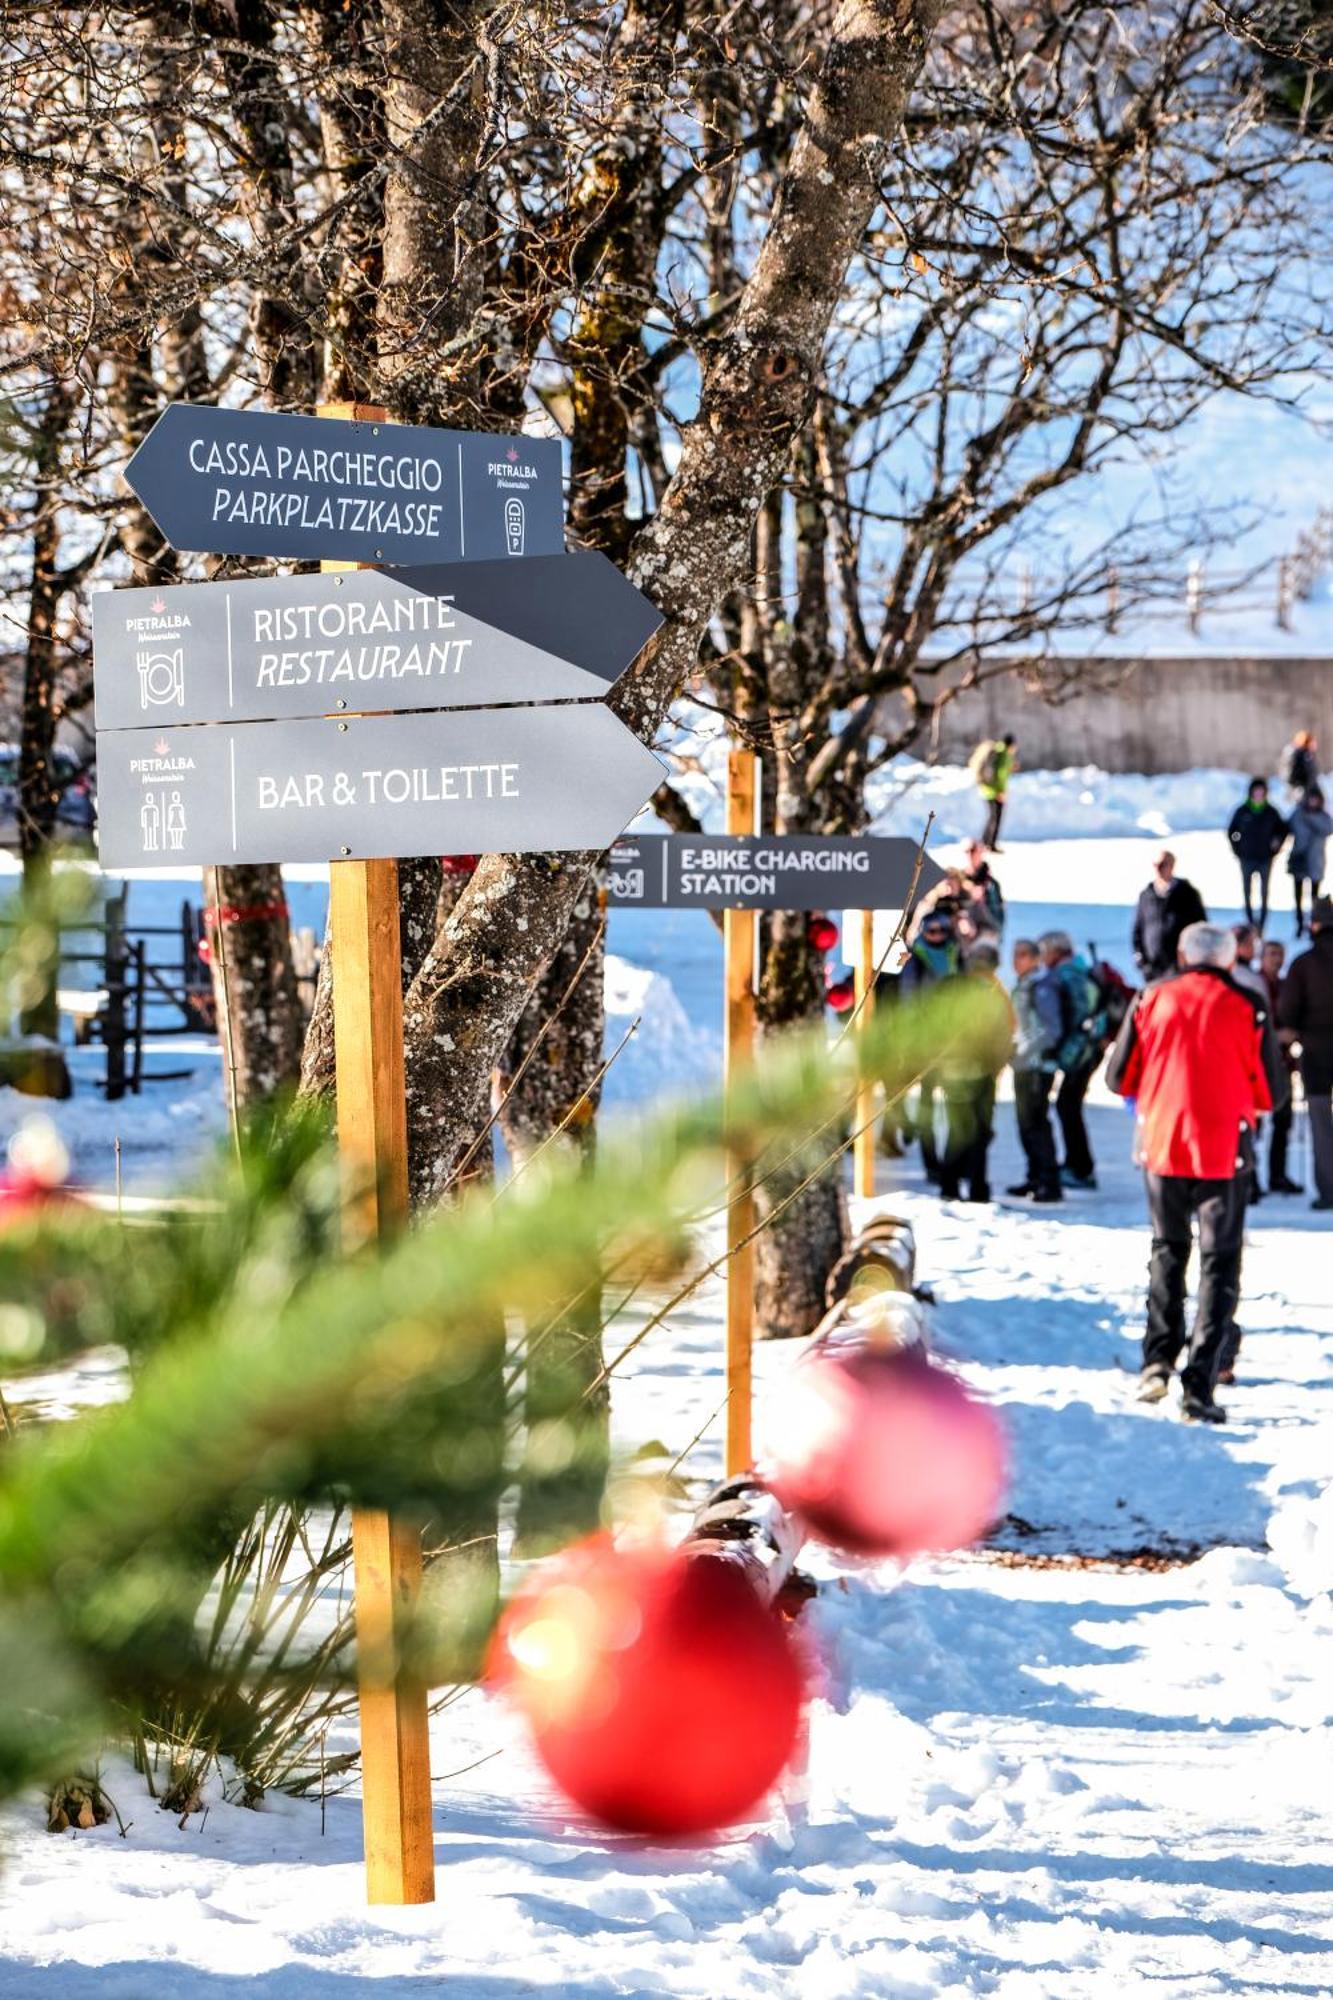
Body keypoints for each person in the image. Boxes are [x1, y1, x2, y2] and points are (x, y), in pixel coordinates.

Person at [1107, 921, 1285, 1422]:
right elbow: (1272, 1090)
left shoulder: (1151, 999)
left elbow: (1119, 1075)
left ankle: (1157, 1360)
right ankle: (1200, 1384)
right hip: (1224, 1147)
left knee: (1167, 1249)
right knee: (1219, 1261)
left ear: (1184, 956)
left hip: (1163, 1143)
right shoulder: (1248, 1008)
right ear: (1229, 960)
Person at [935, 942, 1014, 1203]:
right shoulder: (992, 993)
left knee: (958, 1130)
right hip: (981, 1072)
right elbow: (1002, 1032)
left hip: (953, 1070)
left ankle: (950, 1184)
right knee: (979, 1131)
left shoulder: (949, 989)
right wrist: (996, 1065)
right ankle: (977, 1187)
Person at [1278, 896, 1333, 1211]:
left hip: (1316, 1054)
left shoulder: (1304, 964)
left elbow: (1288, 1011)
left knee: (1322, 1123)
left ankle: (1330, 1190)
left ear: (1314, 925)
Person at [900, 905, 962, 1184]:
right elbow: (908, 1002)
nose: (937, 935)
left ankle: (952, 1163)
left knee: (955, 1105)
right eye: (931, 930)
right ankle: (931, 1163)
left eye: (942, 930)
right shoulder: (916, 960)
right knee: (927, 1102)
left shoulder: (956, 955)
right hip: (926, 1042)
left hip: (954, 1040)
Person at [1040, 930, 1103, 1191]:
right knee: (1068, 1105)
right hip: (1087, 1047)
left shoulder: (1067, 974)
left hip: (1081, 1050)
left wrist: (1063, 1050)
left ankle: (1080, 1167)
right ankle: (1077, 1164)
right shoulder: (1079, 968)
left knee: (1068, 1106)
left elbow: (1078, 1015)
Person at [1007, 937, 1063, 1204]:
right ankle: (1035, 1177)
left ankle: (1049, 1181)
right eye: (1014, 955)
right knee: (1026, 1124)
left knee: (1036, 1124)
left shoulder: (1042, 986)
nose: (1015, 961)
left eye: (1021, 955)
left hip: (1037, 1066)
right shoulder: (1025, 985)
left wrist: (1023, 1051)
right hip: (1024, 1064)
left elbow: (1051, 1029)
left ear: (1034, 958)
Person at [1261, 939, 1301, 1195]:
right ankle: (1249, 1180)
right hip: (1259, 1061)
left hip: (1283, 1063)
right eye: (1273, 954)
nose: (1277, 959)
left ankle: (1278, 1174)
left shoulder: (1286, 987)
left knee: (1283, 1121)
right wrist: (1277, 1035)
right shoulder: (1256, 985)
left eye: (1280, 954)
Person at [1132, 849, 1207, 983]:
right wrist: (1141, 961)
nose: (1158, 869)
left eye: (1162, 864)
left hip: (1181, 969)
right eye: (1156, 865)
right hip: (1154, 969)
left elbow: (1200, 928)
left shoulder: (1187, 893)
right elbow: (1138, 929)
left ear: (1172, 865)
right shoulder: (1146, 895)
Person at [1227, 778, 1287, 931]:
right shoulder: (1242, 811)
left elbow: (1283, 830)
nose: (1259, 794)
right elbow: (1232, 831)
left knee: (1264, 891)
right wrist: (1237, 849)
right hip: (1246, 858)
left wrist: (1277, 847)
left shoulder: (1271, 812)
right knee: (1247, 891)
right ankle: (1250, 921)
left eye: (1262, 791)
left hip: (1265, 858)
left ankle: (1262, 923)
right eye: (1256, 791)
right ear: (1251, 792)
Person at [1286, 784, 1333, 938]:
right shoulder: (1298, 814)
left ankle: (1314, 926)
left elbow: (1328, 829)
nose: (1313, 802)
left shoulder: (1324, 817)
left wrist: (1310, 818)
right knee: (1298, 896)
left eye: (1316, 799)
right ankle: (1299, 924)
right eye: (1311, 798)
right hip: (1299, 860)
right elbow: (1285, 828)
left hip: (1316, 862)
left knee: (1314, 899)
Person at [969, 733, 1017, 852]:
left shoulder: (996, 751)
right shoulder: (1004, 754)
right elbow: (1000, 775)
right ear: (1011, 745)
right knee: (996, 818)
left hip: (987, 789)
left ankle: (985, 842)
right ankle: (991, 844)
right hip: (995, 791)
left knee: (991, 817)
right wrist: (1001, 792)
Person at [963, 840, 1005, 938]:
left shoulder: (991, 884)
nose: (971, 855)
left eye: (974, 852)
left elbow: (997, 913)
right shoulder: (962, 877)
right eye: (969, 852)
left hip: (986, 929)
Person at [1281, 729, 1319, 798]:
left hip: (1309, 790)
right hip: (1300, 791)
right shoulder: (1297, 755)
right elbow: (1290, 775)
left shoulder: (1308, 755)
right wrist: (1298, 787)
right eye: (1312, 742)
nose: (1314, 745)